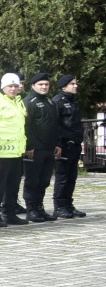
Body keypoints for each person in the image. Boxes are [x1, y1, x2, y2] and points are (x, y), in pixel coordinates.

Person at [0, 72, 28, 225]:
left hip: (16, 152)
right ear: (3, 87)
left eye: (15, 86)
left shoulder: (19, 101)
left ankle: (9, 213)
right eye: (10, 86)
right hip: (1, 153)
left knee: (13, 186)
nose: (13, 89)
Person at [22, 73, 61, 220]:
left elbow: (54, 125)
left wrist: (57, 144)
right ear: (33, 86)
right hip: (35, 149)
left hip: (49, 147)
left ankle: (39, 207)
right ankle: (31, 209)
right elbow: (26, 126)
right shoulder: (29, 102)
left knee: (44, 180)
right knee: (32, 180)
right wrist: (29, 146)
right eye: (40, 84)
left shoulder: (50, 102)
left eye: (46, 84)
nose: (44, 87)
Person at [54, 74, 87, 218]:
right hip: (64, 145)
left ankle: (68, 204)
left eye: (76, 83)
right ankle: (59, 206)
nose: (76, 86)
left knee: (72, 177)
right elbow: (55, 125)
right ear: (63, 86)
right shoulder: (58, 101)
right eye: (72, 84)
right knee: (62, 177)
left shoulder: (73, 101)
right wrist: (58, 144)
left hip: (75, 144)